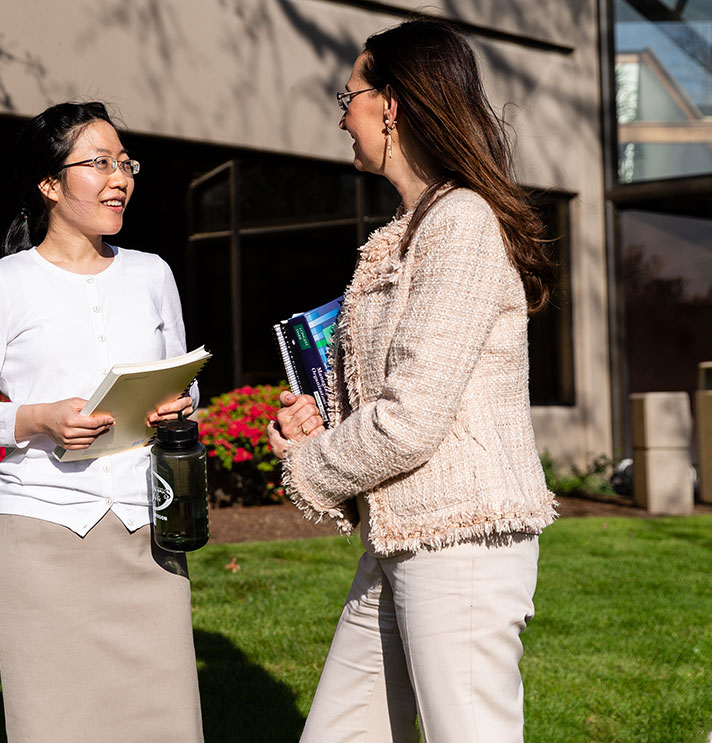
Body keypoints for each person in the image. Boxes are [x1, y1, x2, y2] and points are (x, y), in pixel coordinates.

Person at [267, 20, 557, 743]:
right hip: (398, 542)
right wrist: (321, 426)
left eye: (350, 94)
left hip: (461, 543)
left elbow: (411, 419)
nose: (342, 114)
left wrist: (310, 464)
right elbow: (387, 396)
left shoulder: (461, 222)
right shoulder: (405, 231)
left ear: (391, 105)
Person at [0, 101, 203, 743]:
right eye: (99, 163)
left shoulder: (152, 273)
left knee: (165, 725)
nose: (120, 178)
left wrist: (180, 400)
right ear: (50, 184)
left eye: (125, 163)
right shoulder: (1, 283)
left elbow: (182, 376)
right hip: (44, 539)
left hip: (149, 532)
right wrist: (39, 418)